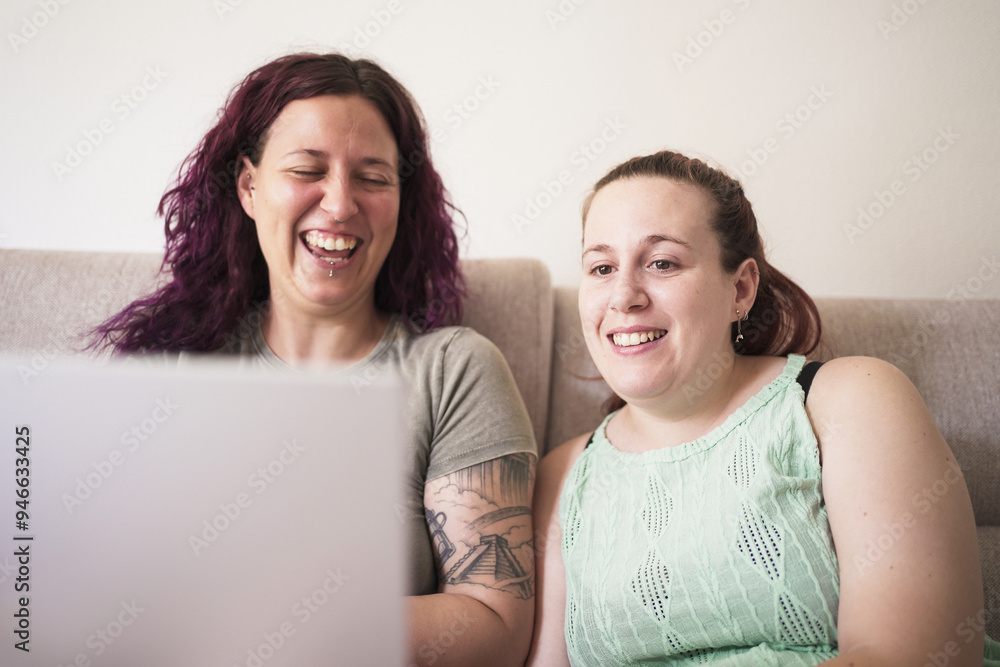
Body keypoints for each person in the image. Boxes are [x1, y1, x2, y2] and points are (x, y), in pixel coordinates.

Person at [92, 53, 536, 666]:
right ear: (249, 187)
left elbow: (495, 626)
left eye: (373, 178)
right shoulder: (174, 368)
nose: (341, 204)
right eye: (307, 170)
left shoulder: (453, 370)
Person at [527, 150, 1000, 665]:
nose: (623, 297)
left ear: (741, 289)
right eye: (601, 267)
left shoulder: (849, 399)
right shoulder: (564, 474)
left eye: (662, 262)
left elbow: (912, 657)